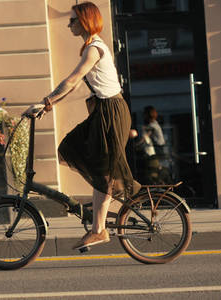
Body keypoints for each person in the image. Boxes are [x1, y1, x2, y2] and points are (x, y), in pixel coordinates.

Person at [32, 2, 140, 249]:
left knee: (104, 170)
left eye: (72, 20)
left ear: (85, 21)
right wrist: (50, 106)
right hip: (104, 112)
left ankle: (99, 230)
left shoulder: (94, 49)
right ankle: (97, 222)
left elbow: (72, 80)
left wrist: (44, 103)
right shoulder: (90, 48)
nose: (69, 24)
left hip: (111, 113)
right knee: (74, 148)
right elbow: (75, 86)